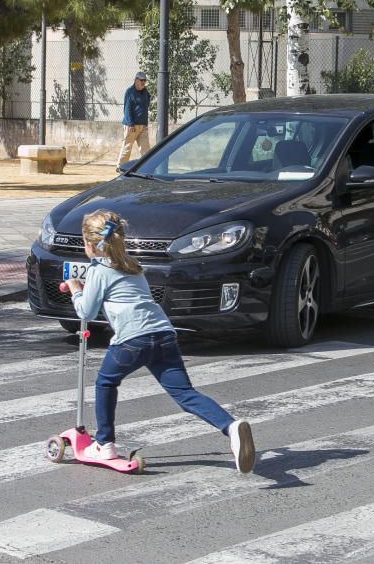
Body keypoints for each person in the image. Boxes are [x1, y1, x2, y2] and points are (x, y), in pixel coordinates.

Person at [69, 209, 256, 474]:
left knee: (106, 382)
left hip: (133, 340)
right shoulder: (132, 265)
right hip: (164, 335)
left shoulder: (99, 269)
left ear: (89, 244)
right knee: (184, 393)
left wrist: (77, 290)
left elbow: (86, 312)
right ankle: (231, 427)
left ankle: (104, 444)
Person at [118, 71, 151, 170]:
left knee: (146, 149)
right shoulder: (129, 92)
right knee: (127, 148)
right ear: (136, 80)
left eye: (144, 81)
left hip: (143, 125)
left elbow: (147, 101)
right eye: (141, 80)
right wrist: (130, 124)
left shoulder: (145, 91)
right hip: (131, 126)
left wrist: (144, 123)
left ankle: (147, 167)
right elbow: (127, 109)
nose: (143, 83)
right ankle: (121, 167)